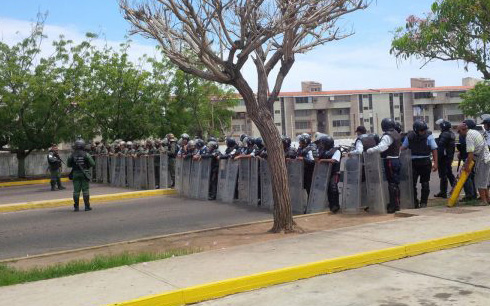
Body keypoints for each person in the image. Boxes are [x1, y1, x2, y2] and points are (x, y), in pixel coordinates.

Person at [366, 118, 402, 213]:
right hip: (396, 159)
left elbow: (382, 147)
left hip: (390, 160)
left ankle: (393, 206)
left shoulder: (387, 136)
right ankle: (396, 204)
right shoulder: (396, 134)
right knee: (395, 183)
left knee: (392, 184)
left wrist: (370, 150)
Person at [401, 120, 438, 208]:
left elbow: (434, 149)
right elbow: (403, 147)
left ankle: (424, 202)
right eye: (421, 130)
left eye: (424, 130)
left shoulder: (429, 136)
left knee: (425, 183)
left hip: (425, 161)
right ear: (416, 130)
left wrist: (435, 163)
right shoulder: (409, 136)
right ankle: (415, 202)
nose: (423, 132)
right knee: (412, 184)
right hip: (413, 163)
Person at [457, 123, 490, 205]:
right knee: (484, 181)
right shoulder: (474, 132)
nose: (458, 133)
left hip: (482, 160)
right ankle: (488, 199)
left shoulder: (469, 137)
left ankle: (484, 201)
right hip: (486, 157)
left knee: (479, 181)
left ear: (463, 129)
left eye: (459, 131)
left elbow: (470, 154)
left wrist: (467, 166)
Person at [67, 139, 95, 211]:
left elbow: (68, 165)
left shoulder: (72, 155)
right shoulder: (86, 154)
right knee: (85, 190)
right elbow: (93, 163)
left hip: (75, 173)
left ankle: (76, 207)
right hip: (84, 173)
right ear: (83, 146)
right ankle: (87, 206)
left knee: (76, 191)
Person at [316, 135, 341, 213]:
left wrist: (322, 160)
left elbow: (334, 160)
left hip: (334, 173)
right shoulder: (322, 151)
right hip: (324, 173)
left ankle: (335, 206)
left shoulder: (336, 150)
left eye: (323, 143)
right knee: (326, 190)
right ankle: (330, 206)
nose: (321, 145)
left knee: (333, 188)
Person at [434, 120, 456, 198]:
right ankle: (454, 189)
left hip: (444, 157)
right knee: (449, 173)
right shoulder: (451, 133)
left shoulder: (445, 134)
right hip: (449, 157)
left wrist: (437, 158)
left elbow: (441, 146)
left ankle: (444, 192)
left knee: (443, 174)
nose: (440, 127)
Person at [458, 119, 478, 201]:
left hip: (469, 158)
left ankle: (470, 195)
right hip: (467, 157)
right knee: (471, 176)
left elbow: (470, 151)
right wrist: (460, 152)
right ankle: (472, 194)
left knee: (467, 176)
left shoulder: (469, 136)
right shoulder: (463, 135)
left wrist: (467, 164)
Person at [297, 133, 317, 197]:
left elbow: (312, 161)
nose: (299, 143)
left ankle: (310, 204)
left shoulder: (310, 149)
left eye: (301, 141)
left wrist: (303, 159)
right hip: (303, 171)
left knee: (309, 188)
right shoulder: (301, 148)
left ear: (305, 141)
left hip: (310, 172)